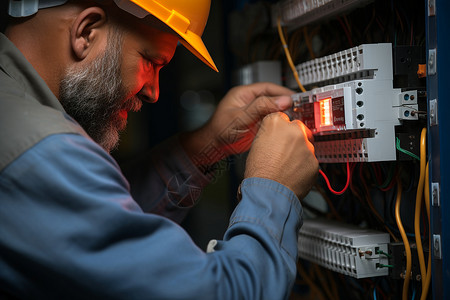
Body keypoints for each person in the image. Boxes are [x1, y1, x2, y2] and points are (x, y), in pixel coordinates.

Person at [0, 0, 318, 299]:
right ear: (87, 31)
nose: (153, 91)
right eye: (151, 61)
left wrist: (207, 147)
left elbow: (99, 228)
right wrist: (273, 187)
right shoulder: (41, 150)